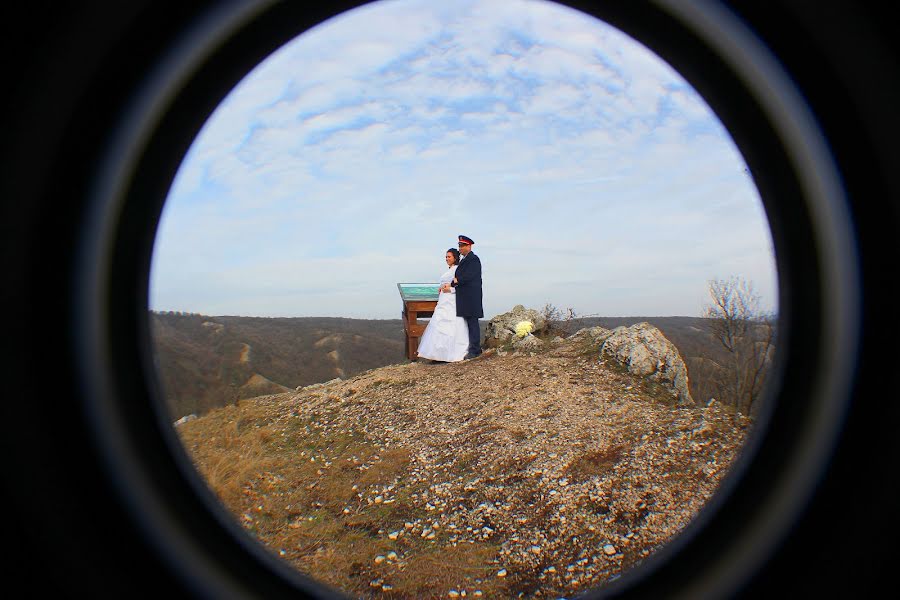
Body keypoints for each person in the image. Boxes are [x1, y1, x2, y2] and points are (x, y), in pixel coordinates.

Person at [415, 248, 470, 362]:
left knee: (452, 324)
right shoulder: (449, 270)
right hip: (443, 300)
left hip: (452, 301)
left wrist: (450, 289)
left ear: (455, 258)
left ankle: (452, 353)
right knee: (439, 324)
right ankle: (439, 354)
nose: (446, 259)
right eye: (446, 257)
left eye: (449, 257)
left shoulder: (457, 270)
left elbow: (460, 285)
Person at [448, 234, 483, 359]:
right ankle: (473, 348)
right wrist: (454, 281)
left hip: (471, 297)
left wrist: (456, 281)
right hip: (466, 297)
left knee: (472, 322)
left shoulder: (473, 259)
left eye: (462, 246)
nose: (460, 248)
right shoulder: (465, 259)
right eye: (459, 245)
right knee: (469, 323)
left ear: (469, 246)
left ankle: (475, 350)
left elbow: (468, 276)